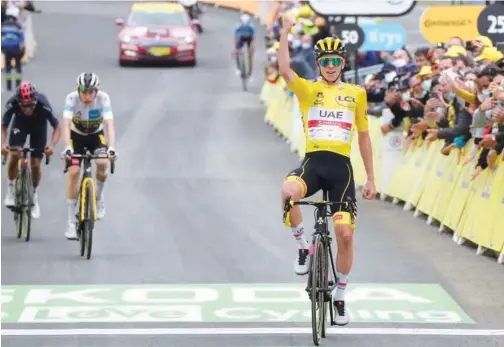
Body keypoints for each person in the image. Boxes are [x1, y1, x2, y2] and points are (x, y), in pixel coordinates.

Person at [277, 16, 376, 326]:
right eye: (325, 60)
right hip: (314, 163)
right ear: (318, 63)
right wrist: (284, 33)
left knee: (345, 235)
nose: (331, 65)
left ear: (342, 63)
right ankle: (303, 247)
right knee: (287, 192)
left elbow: (363, 136)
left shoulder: (356, 94)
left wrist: (371, 178)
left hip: (341, 171)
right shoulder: (308, 90)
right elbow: (283, 70)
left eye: (336, 60)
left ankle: (342, 294)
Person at [62, 72, 116, 240]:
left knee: (102, 162)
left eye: (90, 92)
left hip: (96, 135)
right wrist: (67, 148)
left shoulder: (104, 98)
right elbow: (65, 124)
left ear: (96, 91)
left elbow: (109, 124)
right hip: (76, 136)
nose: (86, 96)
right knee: (73, 172)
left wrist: (111, 147)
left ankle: (98, 197)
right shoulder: (71, 98)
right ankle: (71, 222)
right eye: (83, 92)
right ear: (78, 90)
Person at [1, 82, 60, 218]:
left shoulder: (43, 103)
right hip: (20, 125)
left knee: (35, 163)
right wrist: (3, 144)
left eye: (30, 106)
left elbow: (57, 127)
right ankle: (10, 188)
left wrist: (52, 146)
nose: (27, 109)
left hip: (38, 127)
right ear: (18, 102)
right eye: (24, 106)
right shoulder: (13, 103)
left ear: (35, 101)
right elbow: (4, 125)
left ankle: (34, 195)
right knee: (15, 154)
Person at [1, 5, 24, 91]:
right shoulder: (17, 25)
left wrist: (2, 47)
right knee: (18, 67)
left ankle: (9, 86)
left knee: (8, 68)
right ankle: (18, 85)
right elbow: (22, 38)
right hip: (16, 48)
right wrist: (23, 49)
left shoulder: (3, 25)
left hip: (6, 48)